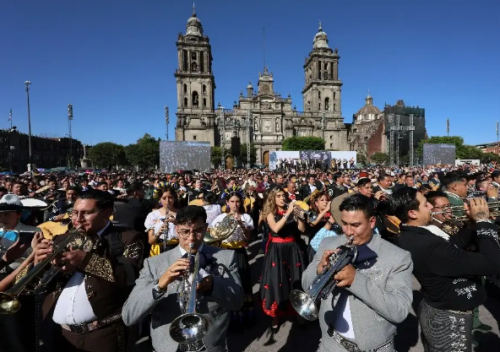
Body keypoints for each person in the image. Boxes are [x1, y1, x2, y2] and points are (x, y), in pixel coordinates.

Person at [34, 190, 145, 352]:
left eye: (86, 213)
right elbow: (37, 284)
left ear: (107, 213)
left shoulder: (128, 238)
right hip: (59, 333)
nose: (78, 219)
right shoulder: (60, 238)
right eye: (74, 213)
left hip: (103, 334)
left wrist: (85, 260)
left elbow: (128, 277)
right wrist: (38, 263)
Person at [122, 205, 244, 352]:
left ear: (205, 228)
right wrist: (160, 284)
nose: (191, 238)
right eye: (185, 232)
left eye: (198, 230)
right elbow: (129, 316)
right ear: (176, 229)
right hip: (167, 347)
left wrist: (212, 284)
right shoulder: (153, 263)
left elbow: (237, 302)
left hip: (209, 346)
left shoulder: (225, 257)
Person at [392, 187, 500, 352]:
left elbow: (452, 245)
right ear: (413, 213)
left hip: (441, 313)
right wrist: (483, 221)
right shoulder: (427, 244)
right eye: (425, 204)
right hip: (448, 321)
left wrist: (472, 225)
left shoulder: (413, 234)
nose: (430, 207)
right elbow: (491, 263)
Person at [303, 194, 413, 352]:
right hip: (331, 345)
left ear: (372, 222)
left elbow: (399, 311)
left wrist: (356, 280)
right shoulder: (328, 243)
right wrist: (319, 270)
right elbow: (306, 283)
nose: (348, 232)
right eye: (344, 224)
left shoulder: (398, 257)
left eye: (355, 225)